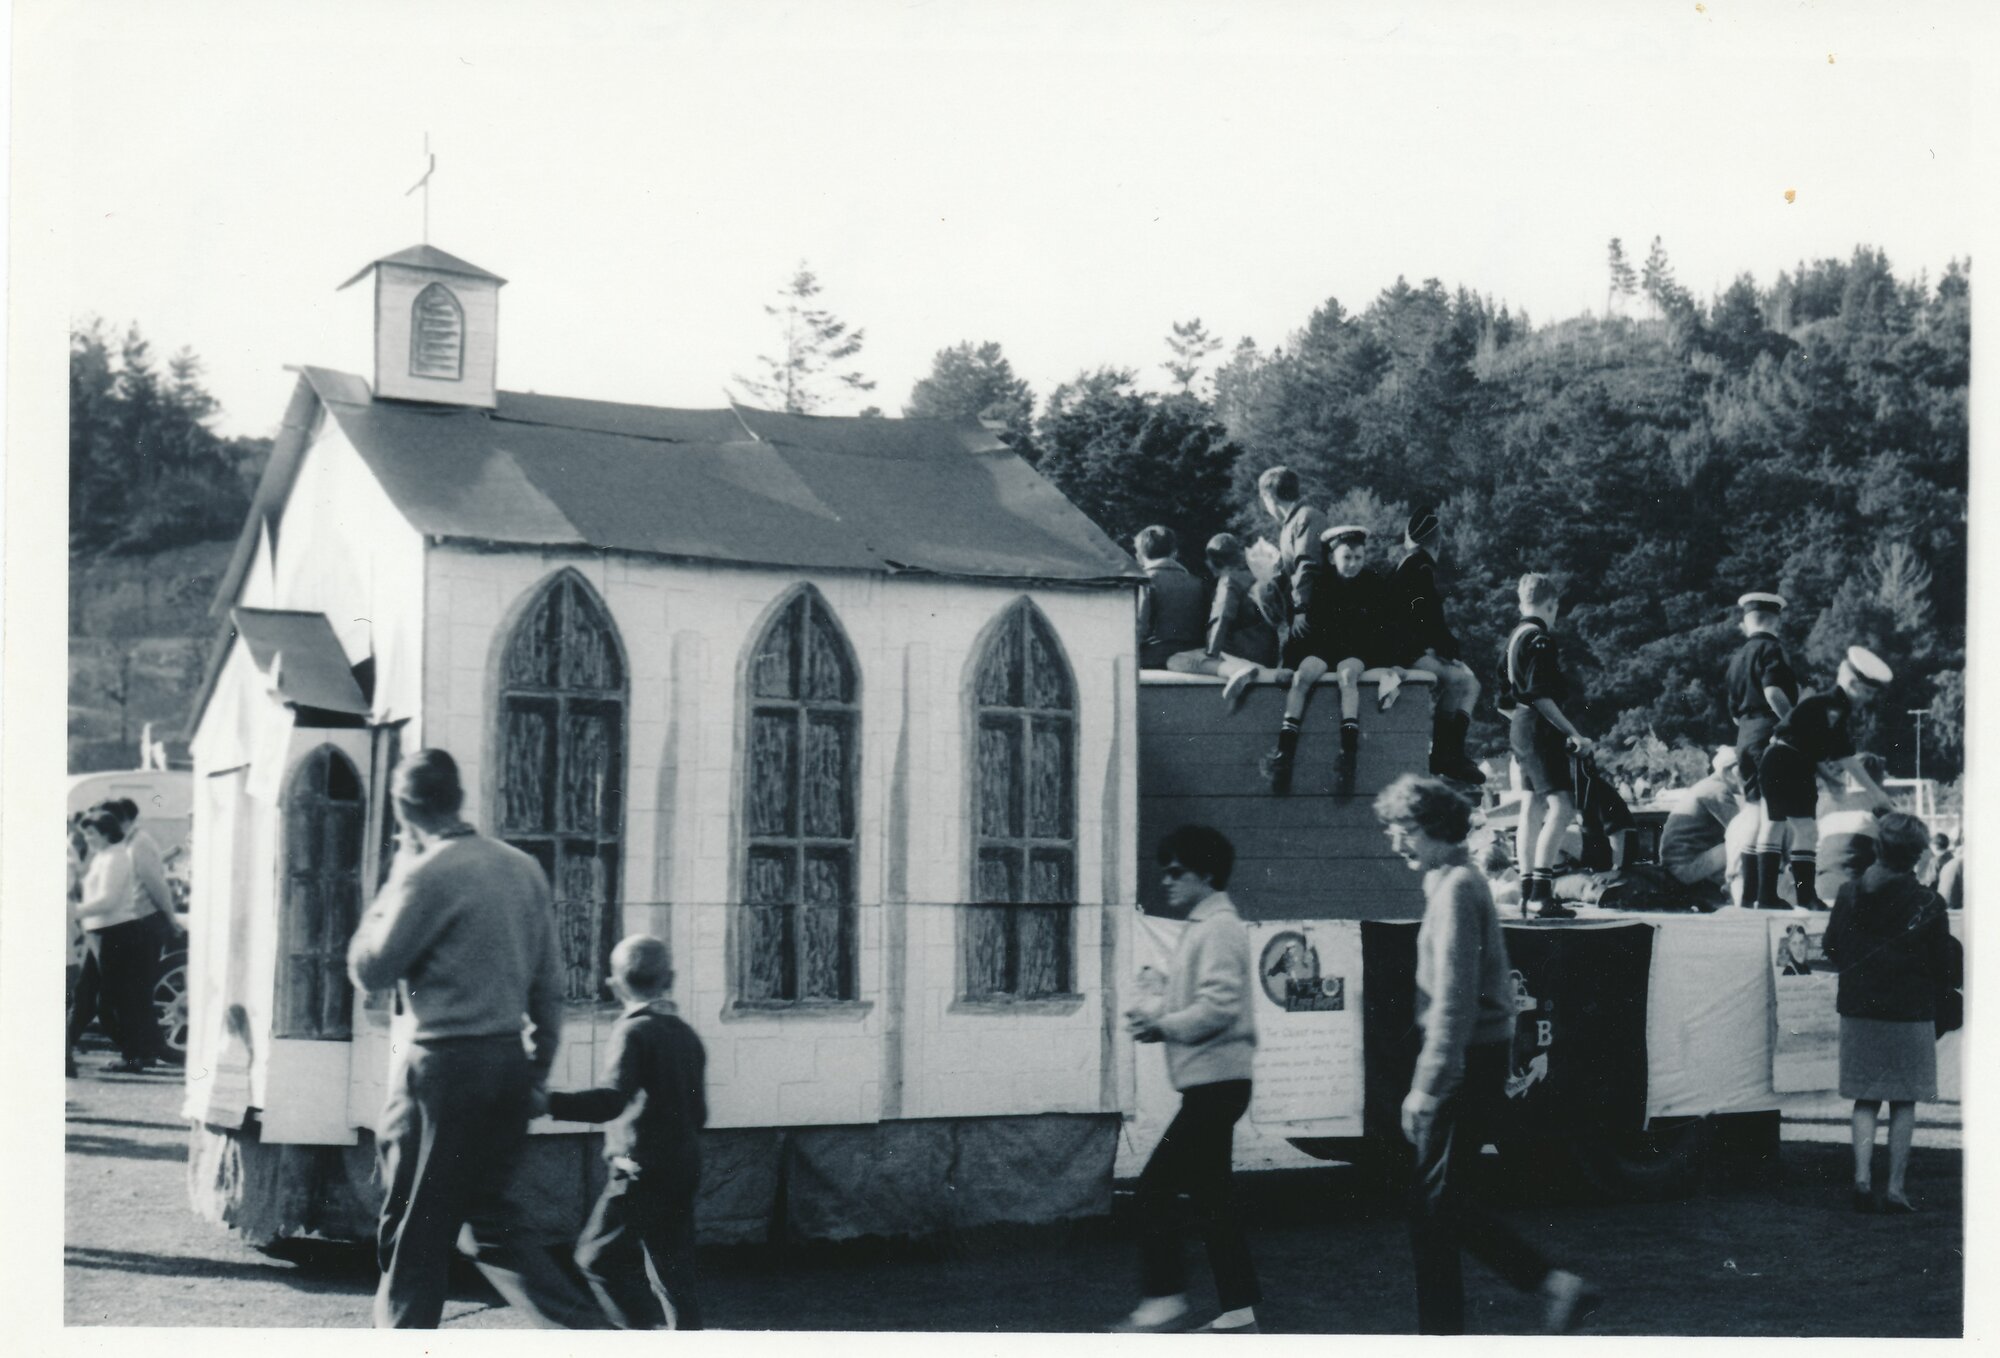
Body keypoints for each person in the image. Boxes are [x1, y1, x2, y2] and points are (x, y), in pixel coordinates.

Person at [347, 749, 606, 1330]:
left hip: (442, 1066)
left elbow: (372, 971)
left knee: (416, 1224)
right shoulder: (521, 867)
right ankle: (592, 1336)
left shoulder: (426, 872)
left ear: (403, 805)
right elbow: (549, 990)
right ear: (456, 796)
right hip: (507, 1062)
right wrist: (536, 1073)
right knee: (491, 1223)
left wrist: (388, 887)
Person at [1372, 774, 1598, 1335]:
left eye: (1404, 830)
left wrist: (1428, 1086)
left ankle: (1552, 1284)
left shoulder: (1455, 890)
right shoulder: (1452, 882)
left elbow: (1455, 1000)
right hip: (1470, 1058)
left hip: (1466, 1062)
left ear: (1436, 830)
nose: (1396, 843)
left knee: (1435, 1207)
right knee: (1433, 1209)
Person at [1115, 826, 1261, 1334]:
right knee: (1212, 1197)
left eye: (1176, 870)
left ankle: (1162, 1300)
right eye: (1165, 869)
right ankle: (1240, 1313)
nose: (1166, 879)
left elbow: (1218, 1009)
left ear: (1206, 873)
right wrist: (1160, 1003)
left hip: (1216, 1086)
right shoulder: (1205, 926)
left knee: (1154, 1191)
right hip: (1216, 1083)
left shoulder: (1218, 927)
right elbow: (1198, 1005)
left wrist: (1161, 1022)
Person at [543, 935, 708, 1330]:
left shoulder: (633, 1032)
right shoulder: (686, 1035)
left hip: (639, 1170)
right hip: (683, 1166)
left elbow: (610, 1101)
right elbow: (698, 1112)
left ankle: (640, 1339)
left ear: (614, 985)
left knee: (595, 1259)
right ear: (671, 978)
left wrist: (546, 1103)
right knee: (672, 1274)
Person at [1822, 812, 1960, 1213]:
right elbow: (1943, 966)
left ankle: (1862, 1179)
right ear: (1917, 855)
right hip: (1910, 1011)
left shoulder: (1849, 893)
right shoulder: (1929, 903)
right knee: (1904, 1101)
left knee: (1865, 1099)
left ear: (1878, 848)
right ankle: (1896, 1187)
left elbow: (1832, 948)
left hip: (1860, 1008)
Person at [1751, 647, 1895, 911]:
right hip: (1790, 764)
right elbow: (1845, 757)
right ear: (1854, 684)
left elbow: (1810, 746)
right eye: (1868, 691)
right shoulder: (1834, 708)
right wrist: (1875, 793)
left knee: (1774, 826)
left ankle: (1766, 896)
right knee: (1806, 831)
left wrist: (1828, 779)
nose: (1869, 699)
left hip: (1778, 760)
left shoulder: (1825, 704)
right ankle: (1805, 897)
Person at [1496, 574, 1590, 919]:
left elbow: (1502, 701)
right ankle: (1541, 891)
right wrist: (1573, 733)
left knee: (1531, 807)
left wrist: (1523, 727)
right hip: (1537, 725)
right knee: (1562, 807)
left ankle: (1526, 890)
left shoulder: (1513, 639)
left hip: (1519, 725)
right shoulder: (1540, 639)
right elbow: (1541, 695)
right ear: (1552, 605)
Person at [1387, 508, 1485, 783]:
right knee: (1461, 681)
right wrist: (1448, 652)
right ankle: (1446, 754)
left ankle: (1451, 752)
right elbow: (1429, 618)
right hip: (1403, 652)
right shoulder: (1421, 567)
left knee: (1468, 682)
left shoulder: (1408, 565)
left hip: (1407, 648)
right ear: (1437, 543)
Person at [1255, 467, 1330, 794]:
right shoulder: (1291, 523)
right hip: (1301, 611)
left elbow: (1307, 565)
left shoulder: (1308, 517)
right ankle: (1283, 756)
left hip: (1315, 614)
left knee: (1296, 675)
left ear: (1269, 497)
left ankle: (1285, 756)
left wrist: (1301, 608)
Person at [67, 810, 157, 1074]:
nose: (87, 838)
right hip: (99, 932)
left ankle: (135, 1054)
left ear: (106, 832)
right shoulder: (103, 856)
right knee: (85, 995)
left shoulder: (116, 858)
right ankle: (64, 1051)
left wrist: (73, 911)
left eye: (91, 833)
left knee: (111, 1002)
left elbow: (108, 900)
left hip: (114, 933)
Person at [1725, 593, 1801, 895]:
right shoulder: (1773, 649)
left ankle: (1750, 894)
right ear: (1777, 620)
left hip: (1744, 735)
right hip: (1770, 733)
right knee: (1775, 813)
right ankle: (1767, 895)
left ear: (1746, 621)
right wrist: (1795, 723)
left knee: (1754, 811)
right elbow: (1773, 692)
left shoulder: (1737, 657)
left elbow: (1732, 711)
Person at [1165, 532, 1293, 708]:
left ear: (1215, 561)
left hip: (1238, 654)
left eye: (1208, 559)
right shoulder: (1258, 576)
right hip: (1265, 656)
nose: (1206, 563)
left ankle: (1234, 671)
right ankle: (1264, 674)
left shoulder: (1229, 581)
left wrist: (1210, 654)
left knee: (1176, 660)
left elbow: (1222, 618)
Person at [100, 797, 186, 946]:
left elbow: (157, 886)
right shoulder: (126, 843)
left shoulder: (139, 843)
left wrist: (171, 918)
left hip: (145, 919)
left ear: (123, 819)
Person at [1660, 748, 1743, 892]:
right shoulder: (1717, 790)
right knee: (1742, 844)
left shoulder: (1708, 785)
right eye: (1744, 769)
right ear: (1728, 771)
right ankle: (1742, 891)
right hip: (1684, 868)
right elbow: (1741, 830)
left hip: (1676, 865)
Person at [1816, 752, 1889, 905]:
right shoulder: (1882, 807)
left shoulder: (1824, 805)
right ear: (1880, 778)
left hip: (1822, 888)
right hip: (1858, 891)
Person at [1135, 525, 1208, 670]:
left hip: (1152, 660)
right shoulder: (1198, 583)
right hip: (1194, 660)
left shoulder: (1144, 583)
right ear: (1174, 553)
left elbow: (1139, 627)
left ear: (1140, 555)